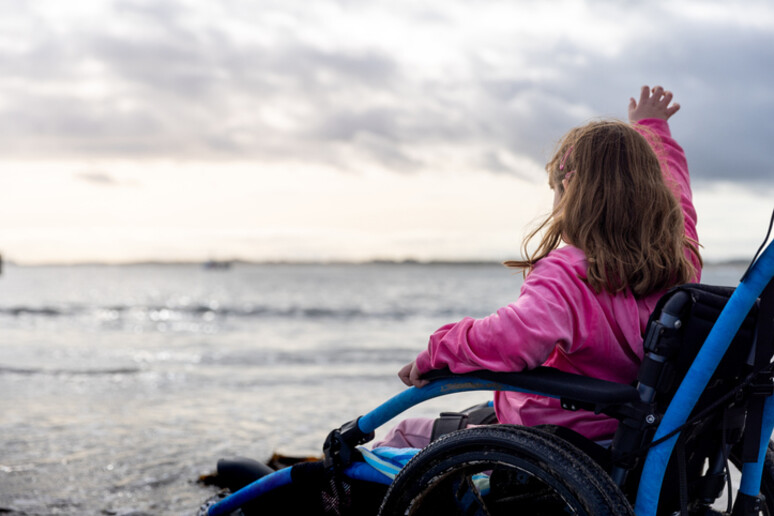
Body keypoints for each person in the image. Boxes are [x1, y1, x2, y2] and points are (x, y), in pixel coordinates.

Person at [374, 85, 702, 449]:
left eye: (556, 193)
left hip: (556, 439)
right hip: (628, 441)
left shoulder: (571, 275)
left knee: (403, 435)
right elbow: (681, 196)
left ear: (570, 189)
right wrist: (653, 127)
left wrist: (440, 350)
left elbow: (512, 340)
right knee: (479, 412)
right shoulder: (681, 265)